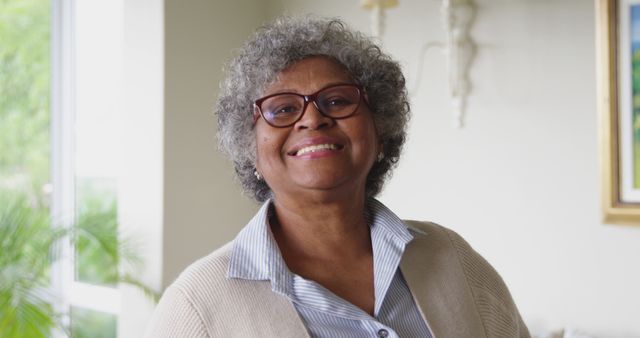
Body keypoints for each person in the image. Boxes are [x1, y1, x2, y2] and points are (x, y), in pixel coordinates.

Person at [145, 16, 530, 338]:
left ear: (380, 129)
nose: (313, 118)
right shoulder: (196, 306)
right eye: (282, 109)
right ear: (250, 149)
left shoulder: (452, 259)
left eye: (337, 100)